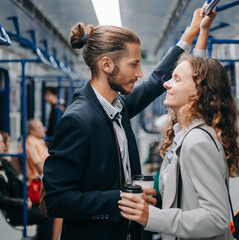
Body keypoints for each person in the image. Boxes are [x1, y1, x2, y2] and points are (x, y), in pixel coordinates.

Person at [42, 7, 209, 240]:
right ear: (107, 64)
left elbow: (154, 81)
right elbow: (56, 200)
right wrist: (122, 198)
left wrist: (192, 32)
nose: (140, 72)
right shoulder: (77, 121)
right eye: (133, 64)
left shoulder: (118, 106)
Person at [118, 13, 239, 240]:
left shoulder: (196, 142)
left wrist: (150, 217)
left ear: (198, 93)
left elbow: (217, 218)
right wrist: (202, 32)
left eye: (175, 79)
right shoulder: (185, 132)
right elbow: (199, 75)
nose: (166, 84)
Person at [0, 131, 54, 240]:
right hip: (7, 211)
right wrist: (22, 202)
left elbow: (16, 178)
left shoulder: (4, 164)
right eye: (0, 142)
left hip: (14, 204)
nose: (4, 145)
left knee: (49, 210)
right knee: (46, 218)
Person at [26, 120, 63, 240]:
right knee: (59, 207)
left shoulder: (38, 141)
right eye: (40, 126)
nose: (44, 128)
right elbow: (41, 168)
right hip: (37, 184)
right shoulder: (31, 142)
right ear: (32, 131)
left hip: (45, 180)